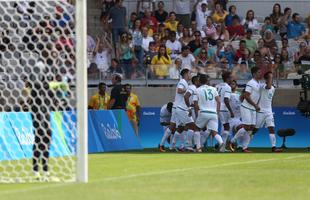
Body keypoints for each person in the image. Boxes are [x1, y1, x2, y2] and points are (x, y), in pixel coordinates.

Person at [229, 67, 262, 153]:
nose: (260, 74)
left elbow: (257, 96)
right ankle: (232, 141)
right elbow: (246, 96)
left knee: (252, 128)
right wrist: (255, 105)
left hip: (253, 108)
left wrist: (256, 105)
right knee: (247, 127)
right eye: (259, 72)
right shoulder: (250, 83)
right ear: (254, 74)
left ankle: (244, 147)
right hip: (246, 107)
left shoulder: (259, 83)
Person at [194, 74, 225, 152]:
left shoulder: (197, 90)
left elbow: (195, 104)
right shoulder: (213, 89)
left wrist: (197, 114)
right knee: (214, 132)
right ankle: (221, 142)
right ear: (207, 81)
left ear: (199, 81)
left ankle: (198, 148)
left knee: (196, 128)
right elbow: (219, 101)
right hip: (213, 113)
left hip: (203, 112)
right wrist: (217, 112)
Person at [255, 72, 282, 152]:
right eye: (270, 77)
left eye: (272, 77)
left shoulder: (273, 88)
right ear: (266, 79)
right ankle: (243, 145)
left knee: (271, 128)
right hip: (260, 112)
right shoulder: (263, 86)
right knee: (254, 130)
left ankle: (274, 147)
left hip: (269, 112)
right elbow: (268, 86)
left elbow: (270, 99)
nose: (272, 79)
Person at [216, 71, 234, 150]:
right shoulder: (228, 87)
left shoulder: (217, 86)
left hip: (217, 107)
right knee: (227, 127)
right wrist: (231, 111)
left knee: (212, 128)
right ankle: (222, 147)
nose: (232, 79)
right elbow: (226, 100)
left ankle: (221, 146)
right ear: (227, 78)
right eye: (231, 77)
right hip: (223, 109)